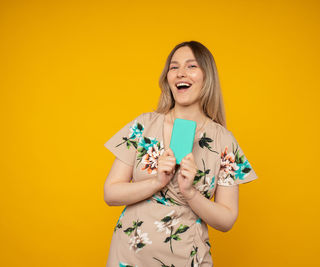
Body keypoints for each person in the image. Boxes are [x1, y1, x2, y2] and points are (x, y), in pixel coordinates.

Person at [103, 40, 258, 267]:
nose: (180, 73)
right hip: (130, 255)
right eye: (174, 67)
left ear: (207, 77)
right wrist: (156, 182)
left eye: (191, 66)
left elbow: (227, 220)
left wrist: (190, 192)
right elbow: (111, 193)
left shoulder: (224, 141)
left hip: (189, 257)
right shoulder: (142, 126)